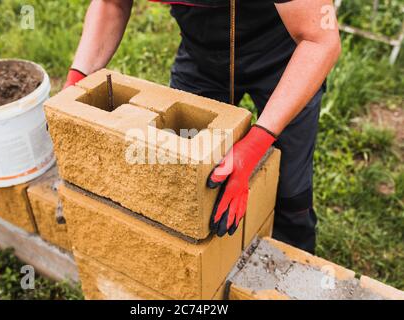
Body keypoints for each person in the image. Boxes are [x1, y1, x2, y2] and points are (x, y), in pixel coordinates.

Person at [64, 0, 341, 254]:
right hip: (202, 58)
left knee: (290, 188)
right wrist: (76, 81)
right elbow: (112, 4)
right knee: (182, 180)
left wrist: (256, 143)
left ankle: (292, 269)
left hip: (286, 57)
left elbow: (319, 41)